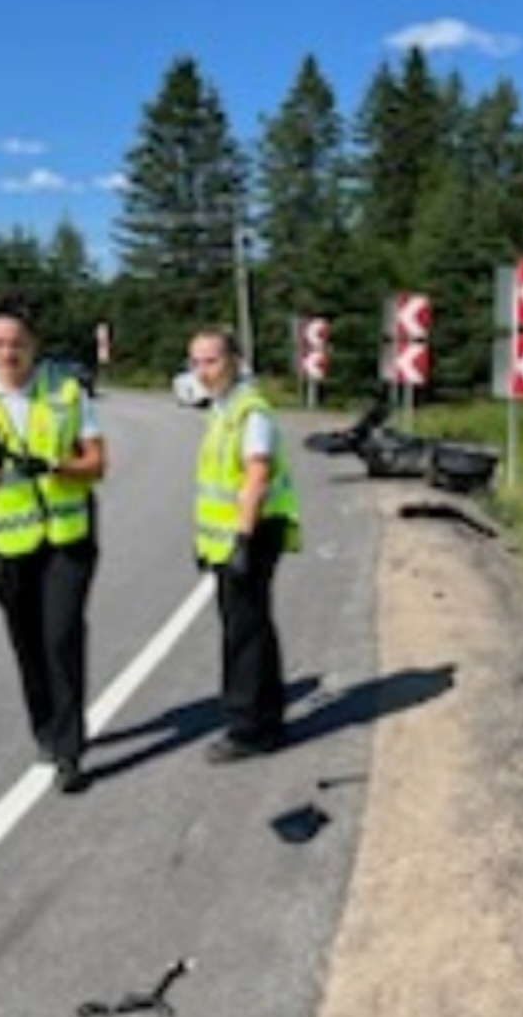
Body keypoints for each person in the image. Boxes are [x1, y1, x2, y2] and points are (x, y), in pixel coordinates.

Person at [0, 296, 106, 794]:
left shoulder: (67, 393)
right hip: (10, 545)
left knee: (61, 638)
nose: (8, 351)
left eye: (16, 342)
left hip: (67, 539)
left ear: (33, 345)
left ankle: (69, 749)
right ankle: (46, 728)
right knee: (29, 644)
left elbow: (97, 464)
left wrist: (57, 466)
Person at [188, 327, 302, 763]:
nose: (203, 370)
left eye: (212, 361)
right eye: (196, 362)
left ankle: (249, 729)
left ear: (234, 359)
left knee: (244, 634)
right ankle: (268, 720)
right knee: (252, 627)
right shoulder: (222, 408)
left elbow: (255, 478)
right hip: (233, 536)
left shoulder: (250, 411)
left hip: (251, 533)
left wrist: (240, 541)